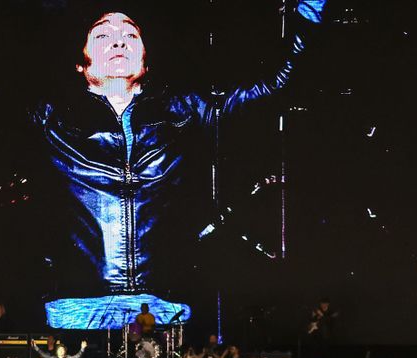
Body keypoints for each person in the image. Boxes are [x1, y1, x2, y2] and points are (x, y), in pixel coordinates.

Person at [30, 3, 326, 323]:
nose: (119, 42)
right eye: (103, 35)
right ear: (79, 62)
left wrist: (308, 14)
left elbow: (275, 86)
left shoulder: (183, 112)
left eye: (130, 34)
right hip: (77, 305)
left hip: (163, 305)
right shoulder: (49, 119)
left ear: (145, 59)